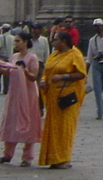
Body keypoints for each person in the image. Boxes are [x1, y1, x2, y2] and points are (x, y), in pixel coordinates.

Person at [0, 31, 41, 167]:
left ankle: (27, 156)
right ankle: (8, 153)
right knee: (11, 122)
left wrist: (25, 70)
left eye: (18, 41)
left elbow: (33, 77)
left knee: (28, 123)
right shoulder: (14, 56)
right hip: (14, 94)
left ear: (25, 42)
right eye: (15, 41)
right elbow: (10, 73)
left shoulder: (32, 58)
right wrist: (0, 68)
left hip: (28, 95)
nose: (15, 44)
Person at [37, 29, 86, 169]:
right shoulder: (54, 54)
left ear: (64, 42)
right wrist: (43, 80)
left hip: (66, 98)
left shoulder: (75, 54)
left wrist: (63, 76)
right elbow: (48, 72)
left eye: (55, 40)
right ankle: (52, 157)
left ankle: (63, 158)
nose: (53, 42)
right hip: (53, 97)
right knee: (53, 129)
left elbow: (81, 74)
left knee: (64, 129)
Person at [86, 20, 103, 119]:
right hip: (96, 63)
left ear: (102, 26)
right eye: (95, 26)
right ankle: (100, 111)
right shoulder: (92, 41)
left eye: (99, 26)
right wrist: (85, 72)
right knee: (97, 89)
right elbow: (89, 57)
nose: (97, 28)